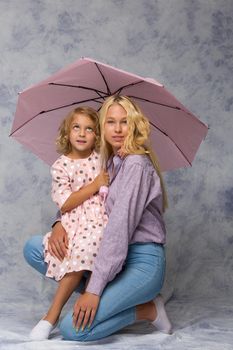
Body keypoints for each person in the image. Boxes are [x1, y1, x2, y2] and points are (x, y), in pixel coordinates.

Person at [24, 95, 172, 342]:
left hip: (141, 262)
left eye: (124, 122)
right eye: (110, 122)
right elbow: (87, 201)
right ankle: (115, 296)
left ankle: (147, 308)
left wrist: (93, 290)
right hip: (113, 258)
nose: (117, 129)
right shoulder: (111, 162)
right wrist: (59, 222)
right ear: (102, 127)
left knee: (74, 329)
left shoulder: (135, 164)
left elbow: (118, 231)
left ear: (134, 124)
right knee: (35, 248)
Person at [29, 106, 109, 340]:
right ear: (67, 132)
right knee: (65, 253)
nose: (82, 134)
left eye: (89, 129)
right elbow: (64, 203)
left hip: (100, 222)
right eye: (77, 127)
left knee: (85, 251)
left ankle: (51, 316)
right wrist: (94, 185)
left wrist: (103, 183)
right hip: (74, 222)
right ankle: (62, 310)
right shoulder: (61, 166)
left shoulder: (101, 159)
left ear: (97, 135)